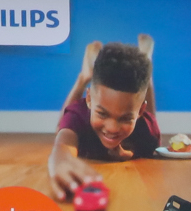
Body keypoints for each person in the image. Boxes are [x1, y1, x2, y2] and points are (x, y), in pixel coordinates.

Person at [49, 36, 162, 198]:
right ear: (88, 99)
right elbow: (63, 142)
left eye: (125, 118)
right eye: (102, 114)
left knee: (149, 112)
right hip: (84, 111)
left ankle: (146, 63)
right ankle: (84, 77)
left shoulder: (147, 130)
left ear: (139, 112)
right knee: (60, 126)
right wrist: (61, 157)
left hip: (140, 119)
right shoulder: (79, 116)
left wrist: (129, 155)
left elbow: (148, 150)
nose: (112, 127)